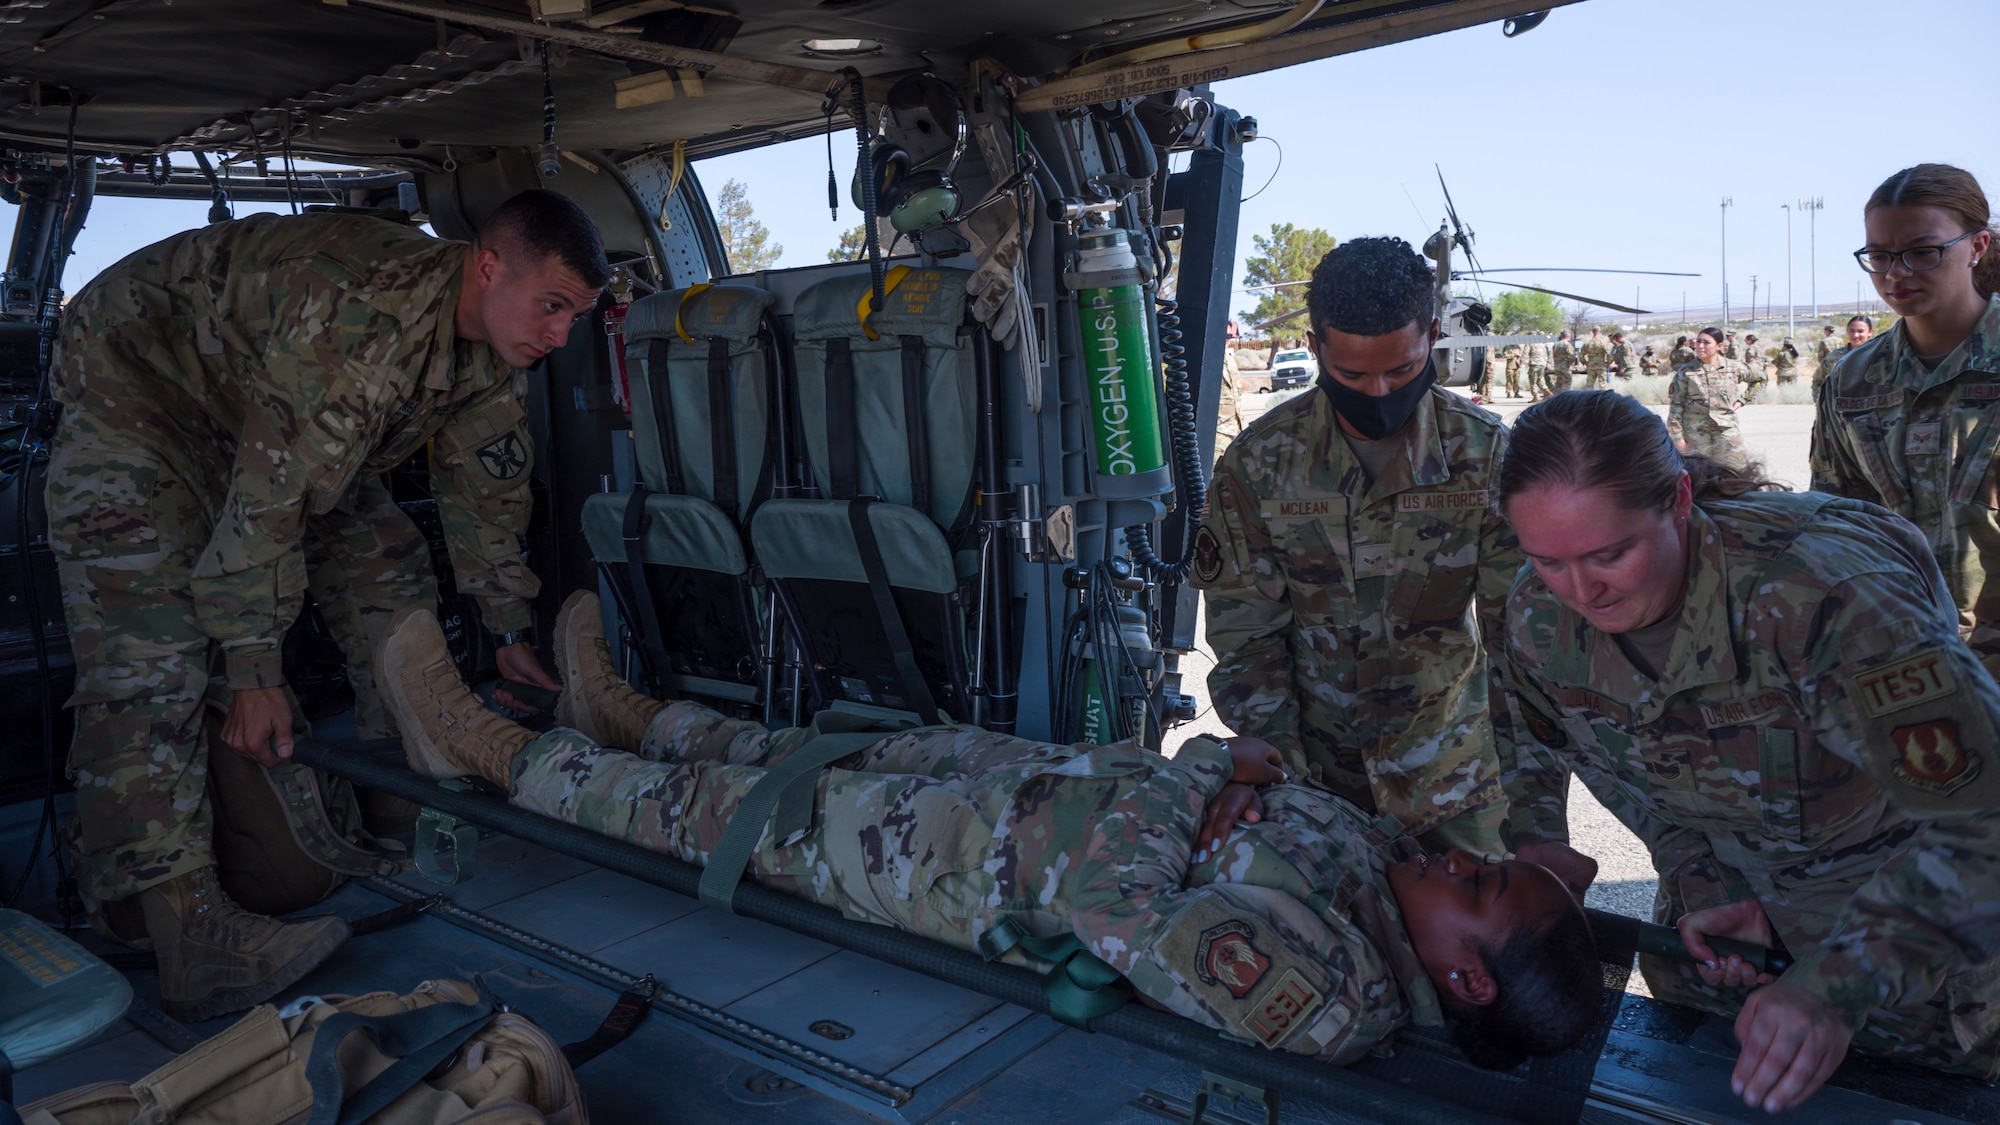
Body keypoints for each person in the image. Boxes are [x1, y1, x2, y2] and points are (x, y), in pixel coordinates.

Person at [374, 591, 1604, 1070]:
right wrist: (1230, 784)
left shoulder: (1326, 989)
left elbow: (1116, 913)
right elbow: (1211, 819)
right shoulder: (1380, 882)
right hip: (1025, 789)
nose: (1463, 860)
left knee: (699, 817)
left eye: (1482, 891)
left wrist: (1204, 789)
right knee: (794, 753)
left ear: (1458, 977)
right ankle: (622, 710)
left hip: (957, 865)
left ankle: (476, 747)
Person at [43, 190, 607, 1019]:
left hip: (262, 406)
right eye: (553, 306)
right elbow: (267, 503)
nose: (562, 335)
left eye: (577, 314)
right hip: (142, 390)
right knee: (148, 651)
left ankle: (397, 795)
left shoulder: (488, 339)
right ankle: (186, 929)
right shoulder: (357, 323)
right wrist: (254, 670)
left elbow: (485, 487)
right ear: (488, 267)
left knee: (387, 561)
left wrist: (507, 625)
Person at [1495, 390, 2000, 1113]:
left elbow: (1983, 815)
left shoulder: (1824, 596)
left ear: (1678, 500)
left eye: (1611, 553)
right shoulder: (1538, 616)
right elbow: (1600, 758)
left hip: (1911, 956)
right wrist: (1703, 876)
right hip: (1724, 960)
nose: (1581, 590)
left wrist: (1839, 984)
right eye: (1547, 559)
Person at [1192, 238, 1524, 856]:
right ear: (1316, 347)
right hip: (1314, 787)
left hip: (1454, 781)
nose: (1377, 392)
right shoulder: (1260, 465)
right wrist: (1275, 770)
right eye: (1351, 374)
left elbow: (1525, 650)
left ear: (1430, 334)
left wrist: (1534, 818)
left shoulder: (1484, 457)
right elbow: (1248, 639)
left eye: (1400, 370)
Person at [1812, 163, 2000, 676]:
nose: (1895, 273)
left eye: (1923, 251)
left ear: (1978, 247)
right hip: (1905, 661)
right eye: (1878, 255)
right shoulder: (1850, 381)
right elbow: (1836, 525)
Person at [1666, 327, 1750, 469]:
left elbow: (1760, 379)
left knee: (1735, 470)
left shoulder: (1734, 368)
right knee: (1699, 475)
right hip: (1696, 433)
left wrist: (1742, 401)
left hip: (1726, 430)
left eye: (1706, 342)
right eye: (1698, 342)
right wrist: (1677, 438)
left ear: (1719, 346)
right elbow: (1676, 405)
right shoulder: (1686, 371)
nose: (1700, 346)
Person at [1214, 322, 1247, 462]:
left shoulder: (1229, 360)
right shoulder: (1205, 361)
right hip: (1216, 437)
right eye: (1226, 335)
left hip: (1237, 433)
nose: (1228, 338)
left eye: (1231, 335)